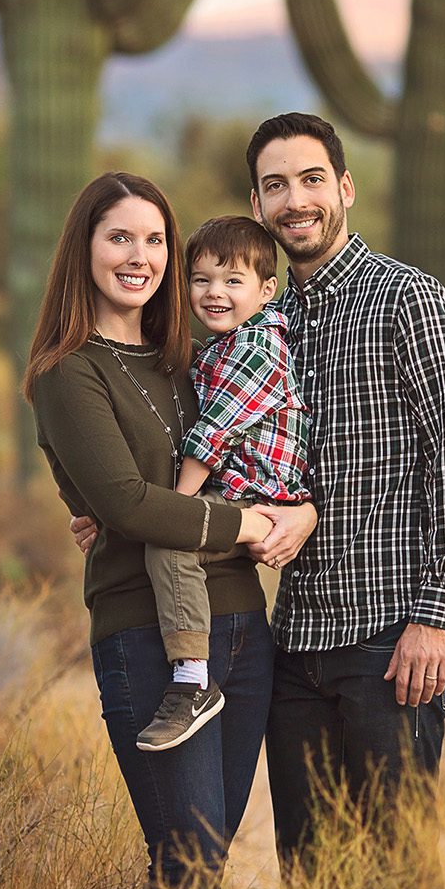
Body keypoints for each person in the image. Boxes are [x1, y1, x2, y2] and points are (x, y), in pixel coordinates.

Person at [68, 113, 445, 889]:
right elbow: (183, 443)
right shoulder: (250, 320)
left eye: (311, 180)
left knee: (399, 882)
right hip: (291, 643)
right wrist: (105, 507)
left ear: (345, 188)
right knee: (314, 885)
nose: (296, 200)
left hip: (389, 639)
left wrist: (437, 616)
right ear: (257, 205)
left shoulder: (410, 301)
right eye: (275, 186)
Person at [25, 172, 313, 889]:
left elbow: (248, 454)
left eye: (155, 240)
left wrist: (300, 513)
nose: (140, 256)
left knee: (208, 858)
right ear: (85, 247)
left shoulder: (191, 357)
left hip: (241, 632)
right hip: (148, 638)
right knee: (185, 855)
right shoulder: (69, 372)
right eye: (120, 237)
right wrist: (244, 525)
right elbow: (125, 503)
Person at [134, 214, 313, 753]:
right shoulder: (219, 345)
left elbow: (210, 437)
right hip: (234, 489)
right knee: (168, 534)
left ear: (266, 290)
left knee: (170, 544)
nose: (215, 293)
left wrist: (171, 510)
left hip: (256, 493)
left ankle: (192, 678)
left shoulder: (255, 349)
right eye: (202, 279)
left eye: (233, 281)